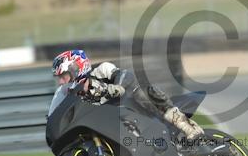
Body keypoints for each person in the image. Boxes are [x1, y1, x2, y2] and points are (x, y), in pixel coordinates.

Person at [51, 49, 205, 143]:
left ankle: (189, 128)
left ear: (76, 68)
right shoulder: (64, 94)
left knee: (142, 93)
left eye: (63, 75)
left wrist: (117, 87)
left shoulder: (101, 70)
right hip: (110, 123)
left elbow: (126, 74)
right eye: (58, 77)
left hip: (131, 109)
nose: (60, 81)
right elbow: (55, 113)